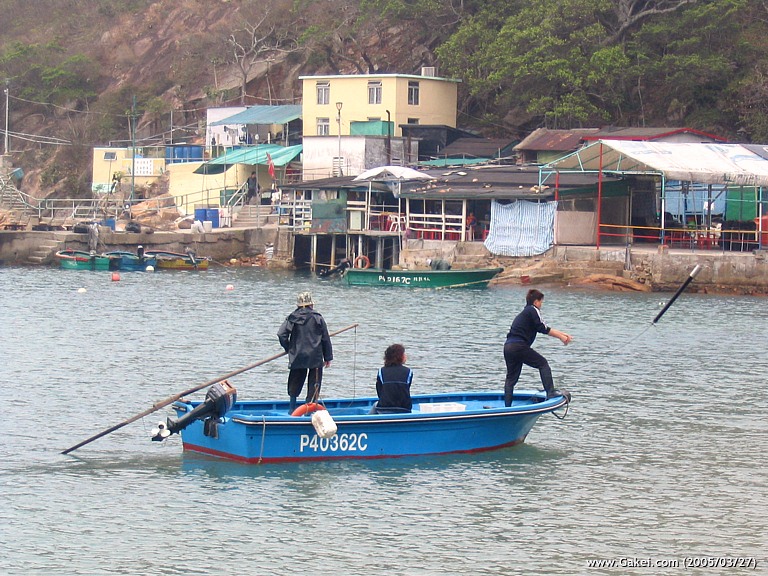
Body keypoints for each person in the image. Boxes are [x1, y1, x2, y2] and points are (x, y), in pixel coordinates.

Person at [503, 289, 572, 406]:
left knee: (511, 379)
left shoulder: (525, 312)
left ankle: (507, 407)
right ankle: (550, 392)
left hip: (508, 347)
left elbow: (544, 327)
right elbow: (542, 328)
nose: (541, 304)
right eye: (541, 302)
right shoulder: (533, 310)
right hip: (519, 346)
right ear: (536, 302)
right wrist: (561, 337)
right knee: (543, 364)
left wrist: (562, 334)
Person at [277, 291, 333, 413]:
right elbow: (325, 339)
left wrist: (289, 348)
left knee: (295, 383)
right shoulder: (318, 318)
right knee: (314, 385)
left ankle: (292, 409)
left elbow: (281, 334)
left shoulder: (292, 318)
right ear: (311, 304)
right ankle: (309, 413)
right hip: (315, 356)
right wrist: (328, 357)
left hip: (298, 355)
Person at [374, 344, 413, 414]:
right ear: (400, 356)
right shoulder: (408, 372)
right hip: (404, 408)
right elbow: (405, 390)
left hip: (383, 408)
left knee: (375, 405)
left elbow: (379, 391)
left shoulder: (381, 371)